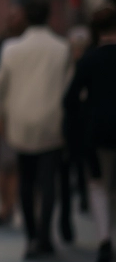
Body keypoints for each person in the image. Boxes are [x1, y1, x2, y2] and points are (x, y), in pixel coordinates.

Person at [0, 0, 72, 260]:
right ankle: (44, 235)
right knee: (48, 181)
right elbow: (69, 87)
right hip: (52, 121)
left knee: (26, 179)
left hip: (21, 122)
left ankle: (30, 235)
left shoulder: (11, 49)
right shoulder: (61, 48)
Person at [64, 4, 116, 262]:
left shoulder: (88, 61)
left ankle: (105, 239)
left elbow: (70, 99)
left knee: (99, 185)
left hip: (97, 132)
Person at [0, 6, 27, 227]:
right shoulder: (3, 46)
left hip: (22, 112)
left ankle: (13, 206)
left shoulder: (19, 46)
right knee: (6, 165)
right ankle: (6, 206)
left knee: (17, 165)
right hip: (10, 114)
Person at [59, 23, 93, 240]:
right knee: (64, 171)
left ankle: (84, 197)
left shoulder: (91, 66)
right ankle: (65, 217)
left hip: (88, 127)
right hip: (67, 126)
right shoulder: (63, 67)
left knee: (86, 168)